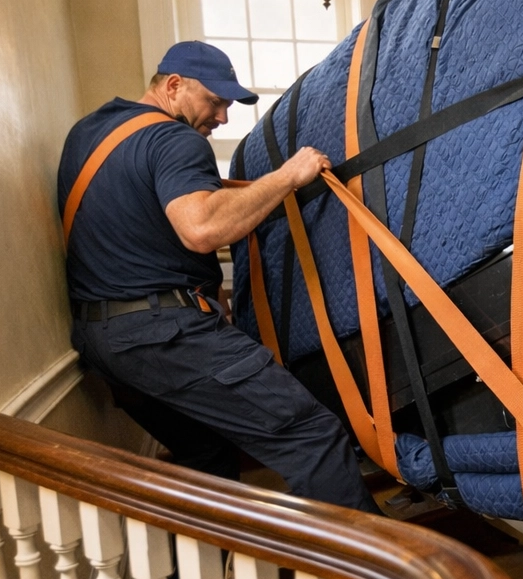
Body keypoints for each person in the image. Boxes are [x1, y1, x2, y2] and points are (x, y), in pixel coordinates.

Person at [58, 41, 380, 515]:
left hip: (103, 341)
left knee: (205, 452)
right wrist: (289, 175)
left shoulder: (88, 134)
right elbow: (203, 227)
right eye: (215, 101)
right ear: (173, 86)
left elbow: (142, 215)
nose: (223, 118)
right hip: (166, 336)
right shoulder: (174, 139)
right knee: (311, 433)